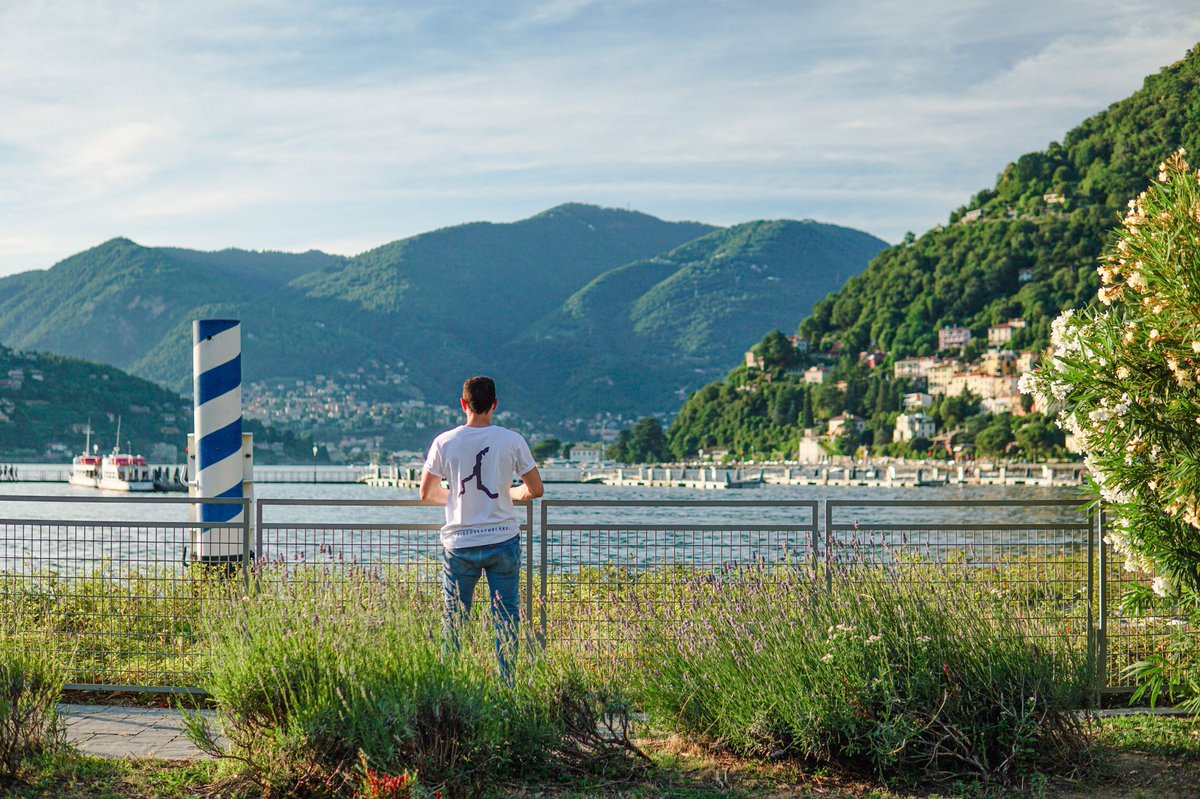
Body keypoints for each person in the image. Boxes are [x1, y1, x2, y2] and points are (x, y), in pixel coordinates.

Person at [420, 376, 543, 682]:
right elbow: (535, 489)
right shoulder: (512, 440)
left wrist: (457, 498)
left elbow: (427, 493)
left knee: (455, 622)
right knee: (506, 619)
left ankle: (450, 689)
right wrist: (510, 493)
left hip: (460, 544)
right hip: (503, 540)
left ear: (463, 404)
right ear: (495, 405)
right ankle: (507, 687)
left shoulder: (444, 442)